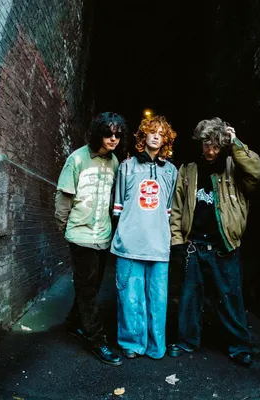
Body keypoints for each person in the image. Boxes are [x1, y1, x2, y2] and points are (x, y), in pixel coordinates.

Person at [168, 117, 260, 366]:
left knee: (230, 298)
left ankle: (239, 346)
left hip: (224, 245)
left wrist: (235, 143)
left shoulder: (235, 165)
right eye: (206, 145)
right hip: (194, 245)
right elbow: (177, 207)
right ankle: (187, 341)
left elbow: (258, 172)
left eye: (215, 146)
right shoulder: (188, 169)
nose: (210, 151)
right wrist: (177, 241)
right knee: (189, 298)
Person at [54, 111, 128, 366]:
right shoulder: (77, 158)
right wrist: (67, 230)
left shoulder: (114, 162)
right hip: (81, 235)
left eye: (118, 135)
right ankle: (97, 340)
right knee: (87, 290)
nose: (113, 139)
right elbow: (63, 199)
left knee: (92, 286)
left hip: (102, 235)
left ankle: (73, 322)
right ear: (98, 133)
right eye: (108, 133)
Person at [110, 115, 178, 360]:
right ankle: (132, 343)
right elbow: (118, 206)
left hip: (159, 244)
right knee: (130, 297)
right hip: (129, 243)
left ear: (166, 140)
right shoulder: (127, 166)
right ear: (143, 135)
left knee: (157, 298)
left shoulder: (171, 171)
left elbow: (170, 209)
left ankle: (156, 345)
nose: (156, 136)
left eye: (161, 133)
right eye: (152, 131)